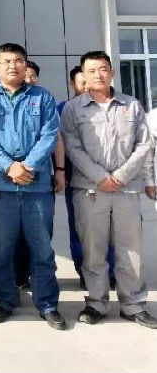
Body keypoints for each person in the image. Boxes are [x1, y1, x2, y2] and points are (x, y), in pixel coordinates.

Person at [0, 43, 65, 330]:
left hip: (37, 187)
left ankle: (47, 304)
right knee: (2, 249)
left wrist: (28, 165)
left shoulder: (42, 97)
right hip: (1, 187)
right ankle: (3, 301)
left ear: (26, 65)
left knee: (42, 248)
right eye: (7, 61)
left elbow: (49, 134)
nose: (13, 66)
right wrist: (9, 166)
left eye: (19, 60)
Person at [60, 51, 157, 329]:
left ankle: (133, 305)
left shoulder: (131, 105)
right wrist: (101, 177)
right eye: (91, 71)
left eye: (103, 69)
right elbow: (72, 147)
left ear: (112, 72)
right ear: (83, 75)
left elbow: (144, 144)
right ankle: (96, 302)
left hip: (126, 190)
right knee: (93, 250)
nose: (98, 75)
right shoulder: (73, 109)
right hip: (90, 190)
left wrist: (121, 177)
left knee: (130, 250)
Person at [59, 66, 115, 289]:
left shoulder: (106, 107)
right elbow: (59, 143)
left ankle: (111, 270)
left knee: (110, 226)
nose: (86, 87)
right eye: (81, 83)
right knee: (81, 227)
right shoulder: (63, 109)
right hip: (76, 178)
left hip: (108, 177)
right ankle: (84, 270)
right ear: (72, 85)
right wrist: (59, 171)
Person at [14, 61, 67, 290]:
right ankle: (19, 276)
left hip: (41, 178)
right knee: (15, 233)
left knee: (41, 233)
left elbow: (56, 139)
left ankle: (40, 280)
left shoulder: (45, 102)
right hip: (11, 179)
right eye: (25, 75)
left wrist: (60, 170)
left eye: (33, 75)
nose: (28, 79)